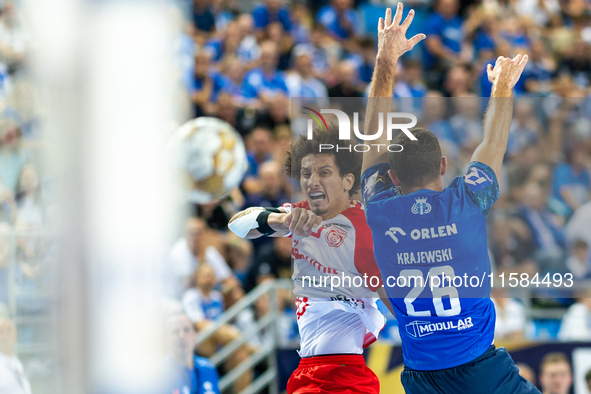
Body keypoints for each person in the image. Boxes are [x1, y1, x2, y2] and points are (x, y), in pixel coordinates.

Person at [361, 5, 537, 393]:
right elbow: (493, 143)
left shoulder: (379, 207)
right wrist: (502, 88)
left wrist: (385, 60)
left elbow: (373, 136)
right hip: (481, 370)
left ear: (391, 177)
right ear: (443, 166)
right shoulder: (468, 201)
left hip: (422, 377)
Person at [228, 120, 386, 393]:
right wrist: (281, 220)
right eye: (306, 173)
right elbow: (237, 224)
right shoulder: (299, 213)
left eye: (324, 172)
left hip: (346, 371)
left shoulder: (366, 226)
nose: (312, 181)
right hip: (308, 371)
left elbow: (390, 293)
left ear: (347, 180)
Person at [159, 313, 221, 394]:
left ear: (195, 335)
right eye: (175, 332)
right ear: (166, 340)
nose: (181, 335)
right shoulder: (159, 376)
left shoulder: (208, 368)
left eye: (186, 330)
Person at [0, 317, 31, 394]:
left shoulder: (16, 362)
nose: (5, 336)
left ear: (15, 334)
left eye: (9, 331)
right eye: (1, 332)